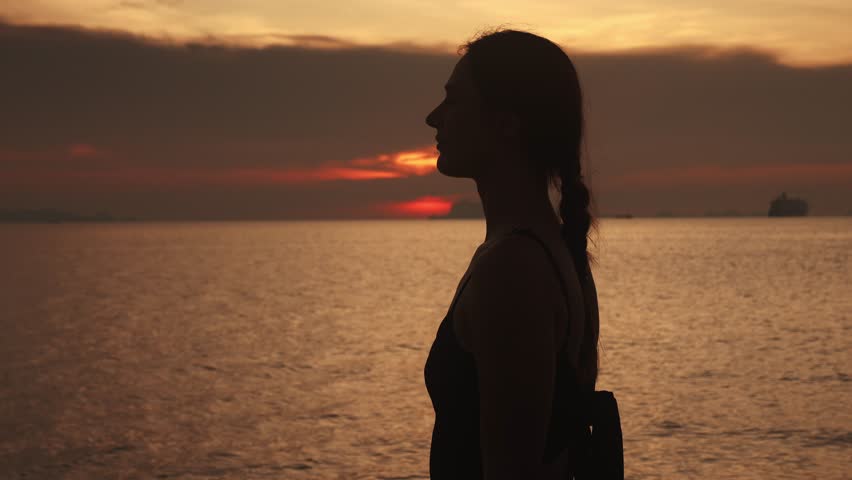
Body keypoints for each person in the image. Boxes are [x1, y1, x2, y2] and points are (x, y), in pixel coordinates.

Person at [423, 27, 621, 480]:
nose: (434, 118)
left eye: (454, 100)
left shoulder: (512, 272)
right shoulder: (546, 251)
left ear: (506, 124)